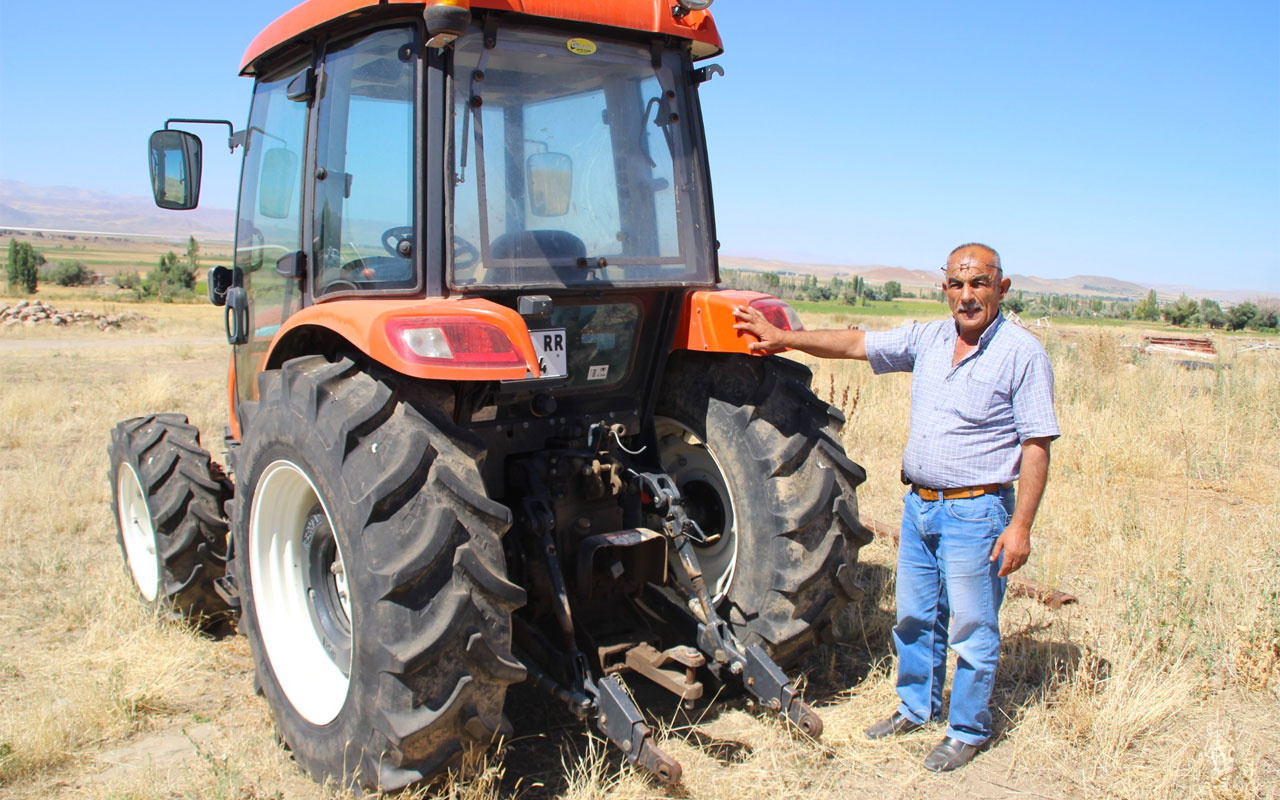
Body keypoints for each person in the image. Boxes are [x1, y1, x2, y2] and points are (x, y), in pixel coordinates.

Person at [732, 243, 1059, 772]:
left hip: (978, 512)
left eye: (979, 283)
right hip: (921, 506)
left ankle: (968, 729)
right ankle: (916, 707)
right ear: (945, 288)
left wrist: (1020, 526)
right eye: (957, 283)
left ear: (1003, 288)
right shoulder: (929, 338)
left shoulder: (1022, 353)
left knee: (973, 629)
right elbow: (856, 343)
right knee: (914, 617)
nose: (967, 295)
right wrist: (785, 338)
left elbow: (1037, 444)